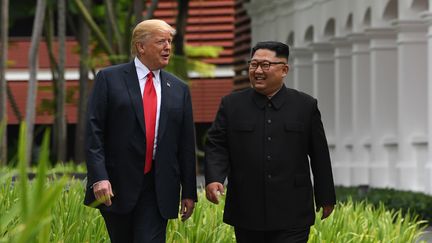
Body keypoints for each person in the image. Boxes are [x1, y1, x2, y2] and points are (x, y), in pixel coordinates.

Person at [204, 41, 336, 243]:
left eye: (265, 65)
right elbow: (217, 145)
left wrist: (325, 196)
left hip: (293, 209)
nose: (258, 70)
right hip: (247, 209)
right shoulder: (232, 105)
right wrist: (214, 178)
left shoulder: (305, 106)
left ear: (284, 70)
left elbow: (319, 154)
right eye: (253, 64)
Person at [84, 19, 197, 243]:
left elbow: (185, 144)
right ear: (140, 46)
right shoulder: (109, 79)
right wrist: (99, 177)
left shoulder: (179, 89)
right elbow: (94, 131)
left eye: (169, 41)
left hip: (158, 186)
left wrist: (190, 191)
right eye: (160, 41)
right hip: (116, 185)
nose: (167, 47)